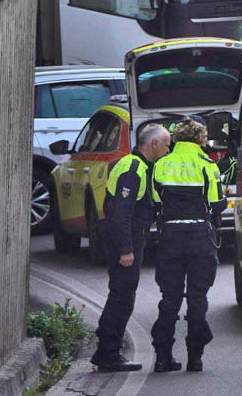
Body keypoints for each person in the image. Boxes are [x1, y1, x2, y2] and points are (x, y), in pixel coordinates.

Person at [90, 123, 173, 373]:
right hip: (124, 240)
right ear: (155, 144)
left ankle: (107, 349)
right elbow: (119, 213)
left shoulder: (137, 165)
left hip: (127, 237)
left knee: (121, 295)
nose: (169, 149)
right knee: (122, 297)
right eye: (167, 144)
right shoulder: (134, 169)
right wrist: (126, 248)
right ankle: (108, 354)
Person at [149, 117, 226, 373]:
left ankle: (162, 356)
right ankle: (195, 358)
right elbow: (218, 205)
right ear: (201, 139)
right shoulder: (208, 165)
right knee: (197, 298)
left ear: (177, 138)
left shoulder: (161, 164)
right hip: (199, 236)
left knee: (169, 297)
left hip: (170, 235)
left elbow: (155, 202)